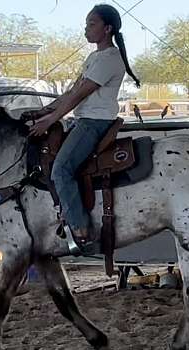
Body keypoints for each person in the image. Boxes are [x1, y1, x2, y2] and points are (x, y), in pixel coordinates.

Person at [28, 3, 140, 253]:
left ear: (107, 28)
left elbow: (80, 95)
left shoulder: (110, 58)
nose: (86, 29)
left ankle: (81, 229)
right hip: (82, 119)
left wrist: (50, 119)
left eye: (92, 24)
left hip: (94, 122)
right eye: (86, 24)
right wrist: (45, 110)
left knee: (61, 169)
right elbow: (72, 91)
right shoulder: (94, 57)